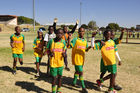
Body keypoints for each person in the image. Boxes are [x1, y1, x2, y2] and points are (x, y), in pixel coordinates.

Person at [67, 27, 91, 93]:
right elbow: (69, 46)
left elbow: (85, 50)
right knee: (81, 72)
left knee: (77, 71)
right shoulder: (75, 40)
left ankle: (74, 82)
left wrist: (88, 47)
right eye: (80, 31)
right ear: (78, 32)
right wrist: (69, 39)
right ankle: (83, 87)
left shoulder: (85, 41)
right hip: (76, 59)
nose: (81, 33)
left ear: (84, 32)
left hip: (82, 59)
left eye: (83, 31)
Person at [43, 28, 66, 93]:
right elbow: (47, 50)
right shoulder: (51, 41)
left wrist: (64, 54)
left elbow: (64, 51)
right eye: (58, 33)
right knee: (54, 78)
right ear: (55, 34)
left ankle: (58, 90)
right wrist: (50, 53)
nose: (59, 35)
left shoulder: (63, 42)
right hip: (53, 63)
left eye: (61, 33)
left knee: (60, 77)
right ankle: (53, 91)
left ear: (62, 34)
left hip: (61, 63)